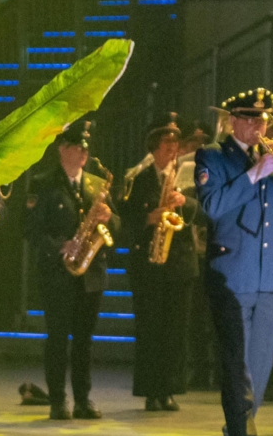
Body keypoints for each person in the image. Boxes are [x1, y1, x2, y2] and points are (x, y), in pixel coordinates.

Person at [194, 88, 273, 436]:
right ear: (233, 121)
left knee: (261, 366)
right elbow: (213, 206)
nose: (256, 126)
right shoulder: (214, 156)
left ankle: (236, 428)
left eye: (262, 120)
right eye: (248, 119)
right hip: (233, 273)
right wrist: (254, 174)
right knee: (238, 364)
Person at [27, 122, 119, 420]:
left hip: (91, 273)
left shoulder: (96, 184)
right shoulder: (43, 183)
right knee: (57, 338)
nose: (83, 153)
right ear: (62, 148)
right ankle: (57, 399)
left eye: (85, 148)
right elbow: (30, 229)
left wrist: (109, 217)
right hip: (57, 273)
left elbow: (117, 226)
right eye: (77, 147)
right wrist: (60, 245)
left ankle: (83, 399)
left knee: (84, 340)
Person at [124, 120, 197, 411]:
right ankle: (150, 390)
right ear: (154, 147)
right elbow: (125, 219)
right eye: (167, 143)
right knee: (150, 330)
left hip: (179, 263)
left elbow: (203, 211)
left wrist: (184, 202)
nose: (172, 148)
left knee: (175, 331)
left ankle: (169, 389)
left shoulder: (187, 177)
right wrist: (148, 219)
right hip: (149, 264)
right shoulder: (138, 179)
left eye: (175, 143)